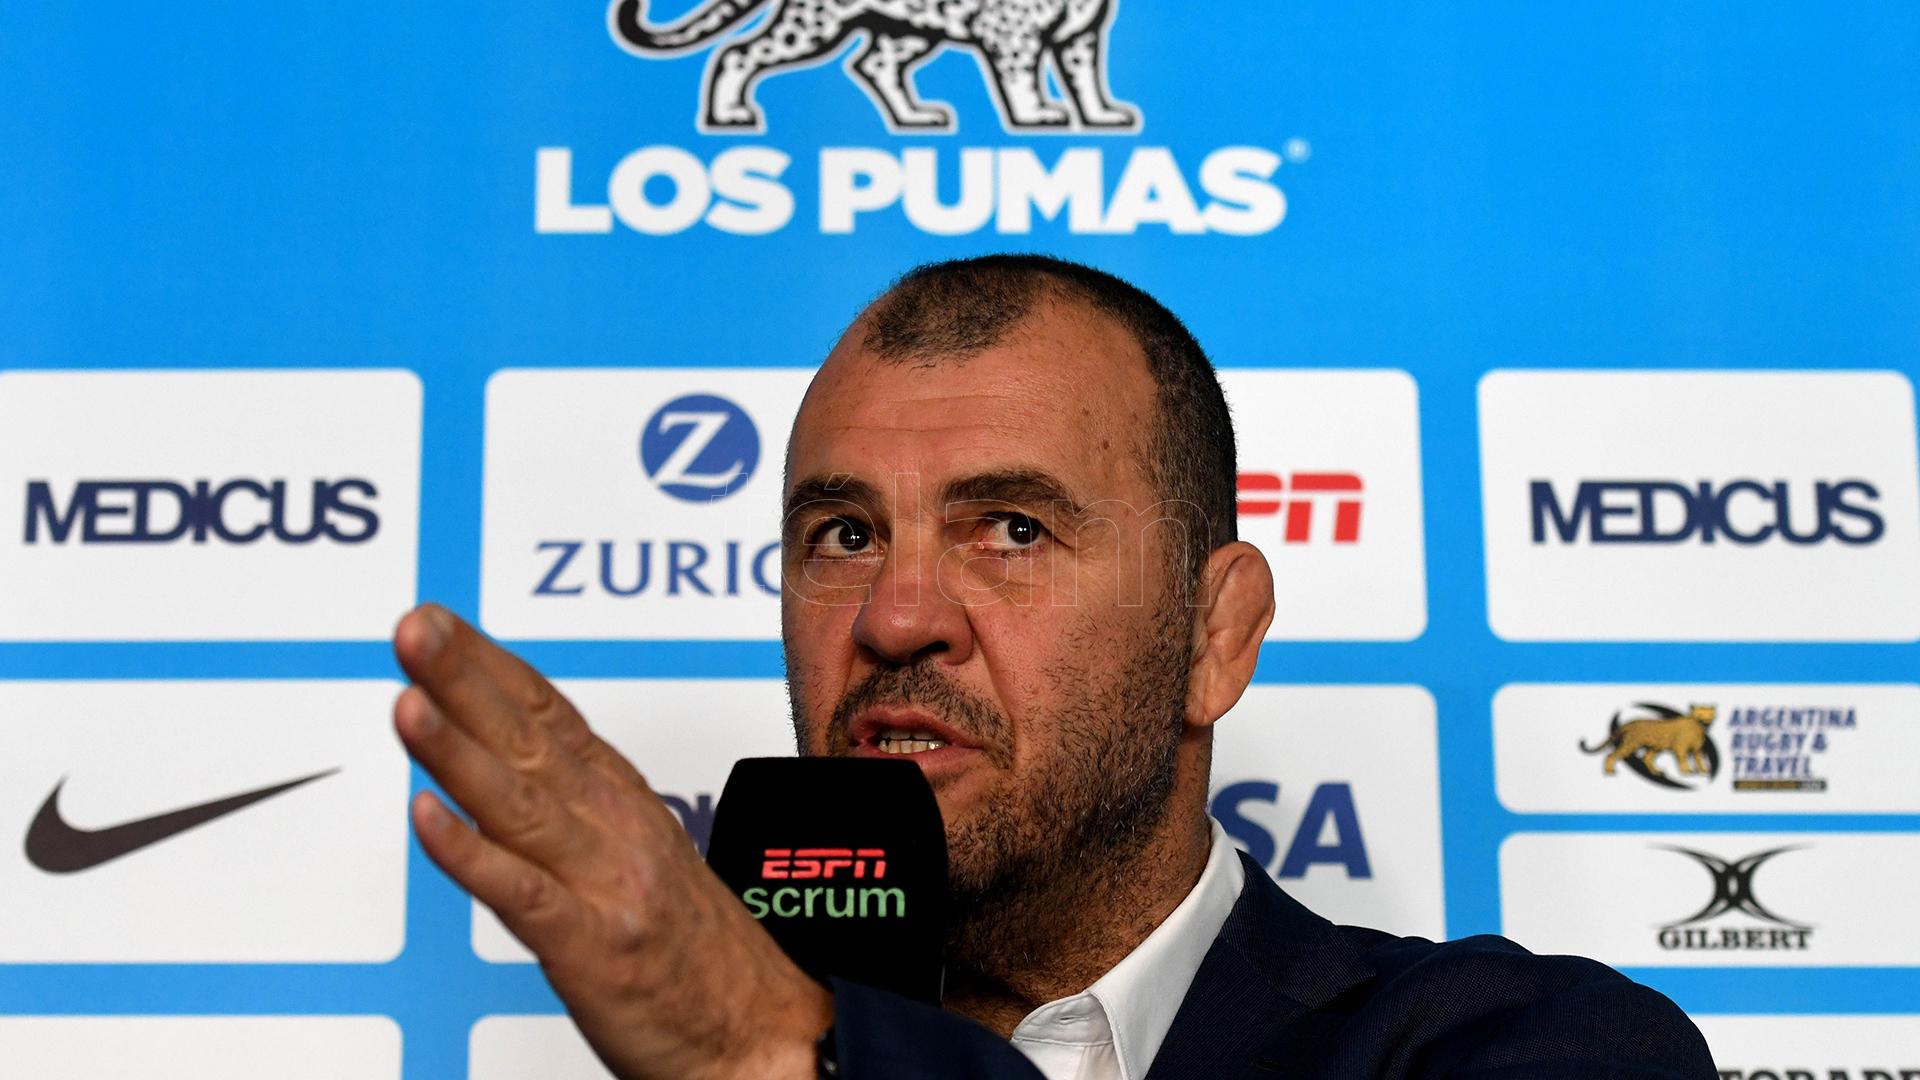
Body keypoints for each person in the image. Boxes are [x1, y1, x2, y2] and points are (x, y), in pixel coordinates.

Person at [390, 255, 1716, 1079]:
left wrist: (782, 1051)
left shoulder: (1516, 1044)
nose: (896, 615)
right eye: (845, 535)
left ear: (1217, 636)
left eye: (1013, 529)